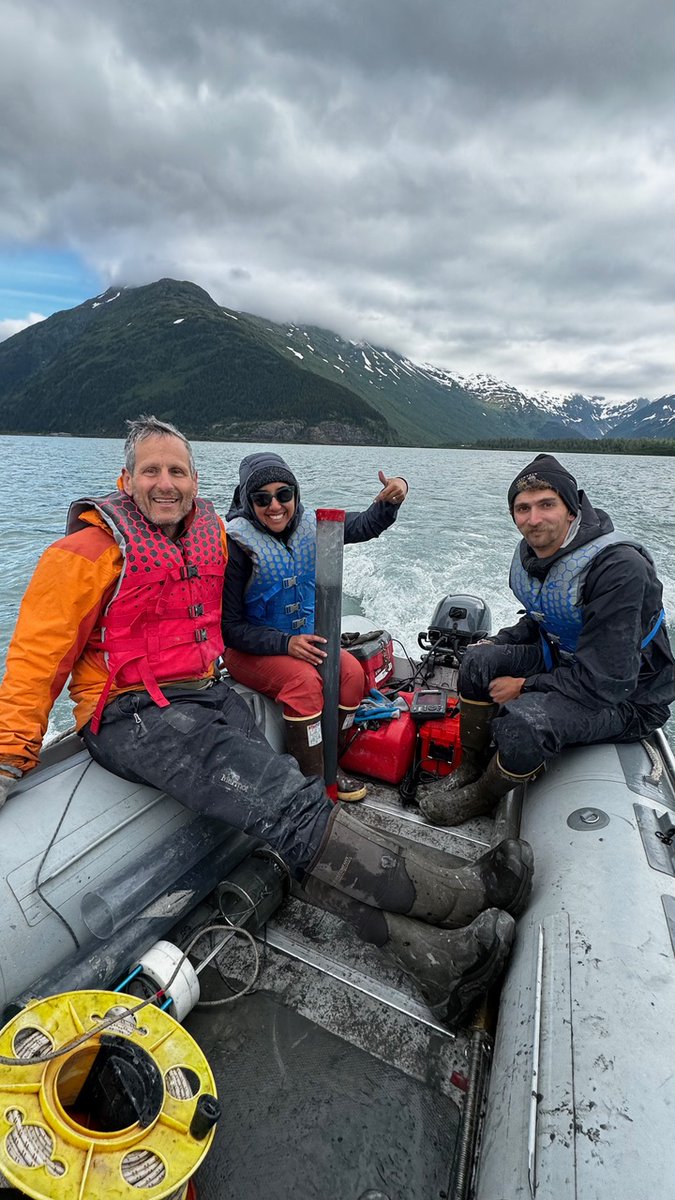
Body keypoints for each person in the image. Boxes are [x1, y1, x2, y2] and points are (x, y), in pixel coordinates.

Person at [0, 415, 534, 1028]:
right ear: (127, 478)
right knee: (294, 806)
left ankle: (436, 963)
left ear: (196, 482)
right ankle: (458, 896)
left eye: (177, 470)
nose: (165, 482)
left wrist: (381, 508)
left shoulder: (209, 539)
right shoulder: (85, 554)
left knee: (286, 821)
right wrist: (9, 759)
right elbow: (36, 660)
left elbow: (319, 535)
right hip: (130, 713)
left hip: (202, 695)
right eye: (152, 470)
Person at [420, 453, 675, 826]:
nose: (533, 519)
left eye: (546, 505)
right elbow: (545, 618)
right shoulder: (534, 554)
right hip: (565, 661)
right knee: (476, 661)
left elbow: (606, 680)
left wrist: (525, 686)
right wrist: (498, 642)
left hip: (629, 696)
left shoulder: (619, 569)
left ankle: (482, 795)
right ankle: (470, 767)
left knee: (523, 722)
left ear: (571, 510)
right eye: (523, 508)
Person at [222, 451, 407, 801]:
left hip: (303, 642)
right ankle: (312, 785)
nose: (275, 506)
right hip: (249, 649)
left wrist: (393, 496)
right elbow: (228, 628)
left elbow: (365, 524)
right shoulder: (235, 545)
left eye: (284, 495)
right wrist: (285, 645)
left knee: (351, 674)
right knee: (304, 682)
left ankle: (330, 762)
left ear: (296, 494)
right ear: (248, 501)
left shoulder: (317, 528)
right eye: (262, 498)